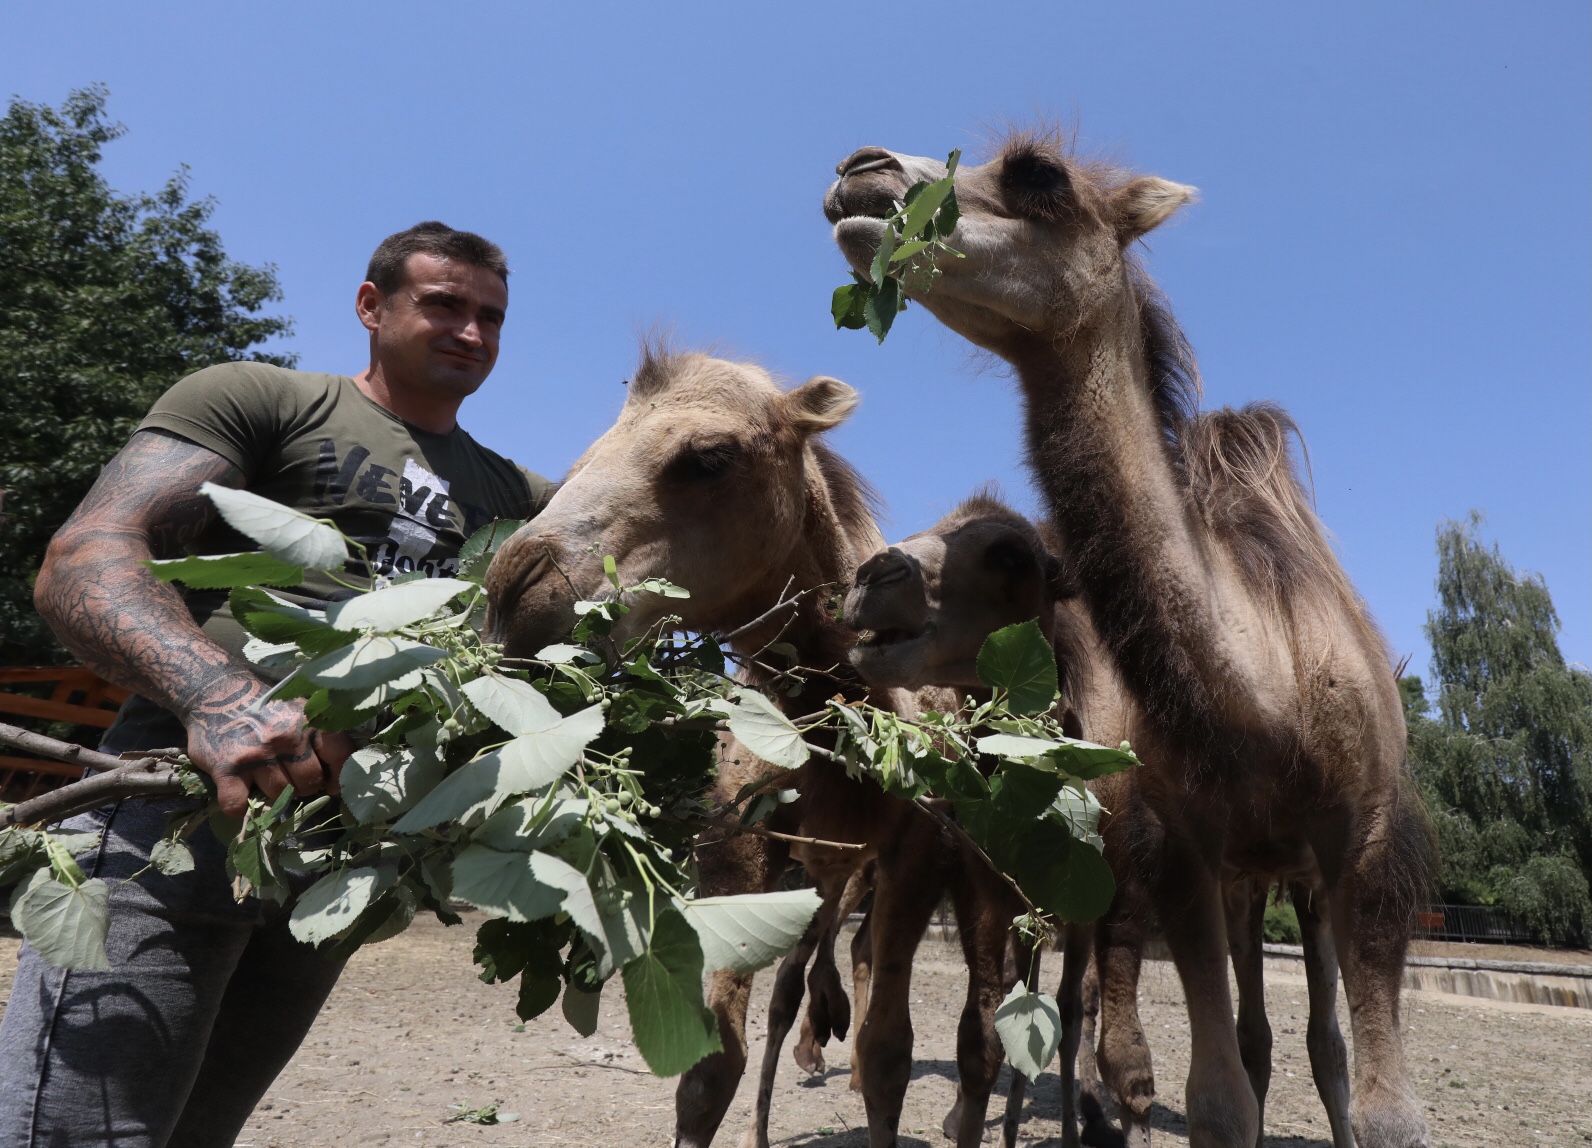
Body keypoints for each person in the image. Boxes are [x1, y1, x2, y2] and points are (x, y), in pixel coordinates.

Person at [1, 222, 553, 1148]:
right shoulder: (264, 398)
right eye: (445, 305)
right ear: (371, 306)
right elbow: (84, 559)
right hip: (176, 811)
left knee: (197, 1133)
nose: (472, 334)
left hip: (345, 856)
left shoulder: (518, 498)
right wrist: (219, 697)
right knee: (83, 1133)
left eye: (491, 317)